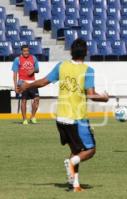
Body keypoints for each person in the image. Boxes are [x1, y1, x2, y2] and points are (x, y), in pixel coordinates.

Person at [17, 38, 109, 192]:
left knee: (76, 149)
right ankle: (71, 163)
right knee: (89, 150)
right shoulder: (88, 70)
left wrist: (27, 85)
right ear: (85, 53)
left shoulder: (62, 66)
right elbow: (92, 95)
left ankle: (75, 184)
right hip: (77, 118)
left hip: (60, 118)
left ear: (71, 51)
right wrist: (105, 98)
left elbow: (43, 82)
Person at [12, 45, 40, 125]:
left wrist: (33, 70)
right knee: (24, 101)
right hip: (22, 82)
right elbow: (15, 74)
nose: (26, 52)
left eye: (27, 51)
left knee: (36, 99)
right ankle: (24, 119)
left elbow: (38, 69)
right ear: (21, 51)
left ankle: (33, 117)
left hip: (32, 83)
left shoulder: (33, 58)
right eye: (24, 51)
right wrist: (15, 86)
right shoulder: (17, 60)